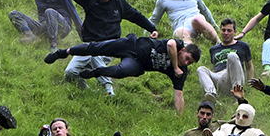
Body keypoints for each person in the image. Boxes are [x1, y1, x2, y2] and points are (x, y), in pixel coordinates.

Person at [62, 0, 158, 95]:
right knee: (70, 73)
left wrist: (152, 28)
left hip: (110, 45)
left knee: (95, 56)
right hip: (89, 44)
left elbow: (136, 16)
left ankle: (108, 89)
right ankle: (87, 92)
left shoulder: (119, 3)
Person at [45, 35, 201, 115]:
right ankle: (63, 52)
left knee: (121, 71)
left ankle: (96, 72)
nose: (186, 63)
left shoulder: (181, 72)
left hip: (138, 63)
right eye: (187, 58)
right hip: (131, 44)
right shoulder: (178, 46)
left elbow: (179, 95)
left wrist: (179, 118)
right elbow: (170, 44)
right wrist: (174, 66)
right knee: (96, 48)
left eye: (190, 63)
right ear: (183, 51)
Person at [196, 18, 253, 102]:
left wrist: (250, 84)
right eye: (223, 30)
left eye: (229, 31)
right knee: (201, 69)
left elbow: (249, 67)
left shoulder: (242, 46)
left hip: (235, 75)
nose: (226, 33)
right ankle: (211, 94)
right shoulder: (213, 49)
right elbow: (215, 66)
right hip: (220, 77)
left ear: (235, 32)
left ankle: (237, 96)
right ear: (220, 30)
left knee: (232, 56)